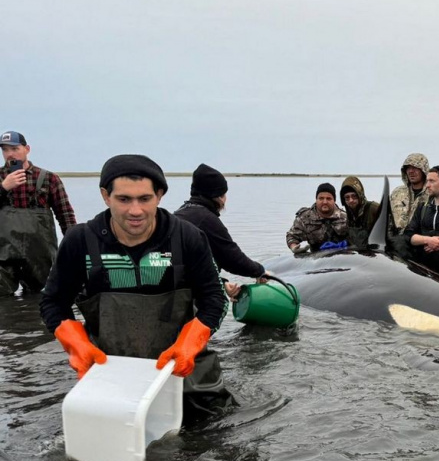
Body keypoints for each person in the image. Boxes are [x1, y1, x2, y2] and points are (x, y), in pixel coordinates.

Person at [39, 154, 232, 416]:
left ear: (160, 195)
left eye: (145, 198)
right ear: (106, 196)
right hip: (112, 371)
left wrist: (190, 343)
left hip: (182, 369)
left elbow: (215, 299)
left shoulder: (187, 237)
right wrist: (77, 345)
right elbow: (52, 303)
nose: (135, 211)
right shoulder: (79, 241)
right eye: (123, 199)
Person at [174, 164, 268, 300]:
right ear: (217, 196)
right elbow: (232, 259)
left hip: (173, 288)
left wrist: (221, 283)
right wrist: (260, 271)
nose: (225, 199)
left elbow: (191, 264)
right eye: (224, 194)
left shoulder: (180, 213)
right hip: (183, 298)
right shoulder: (206, 219)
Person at [0, 131, 77, 295]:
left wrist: (75, 248)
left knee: (41, 297)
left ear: (27, 149)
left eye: (14, 148)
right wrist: (4, 188)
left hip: (39, 254)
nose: (10, 154)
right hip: (3, 254)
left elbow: (66, 216)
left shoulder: (49, 179)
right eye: (5, 150)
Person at [404, 165, 439, 280]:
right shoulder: (422, 208)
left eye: (432, 181)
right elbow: (409, 235)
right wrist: (428, 240)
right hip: (422, 275)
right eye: (427, 181)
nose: (427, 185)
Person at [387, 152, 429, 259]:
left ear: (424, 170)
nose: (411, 171)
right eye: (408, 168)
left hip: (421, 247)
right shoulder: (397, 193)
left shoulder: (431, 194)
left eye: (415, 167)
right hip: (397, 246)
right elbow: (388, 220)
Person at [286, 183, 348, 253]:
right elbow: (292, 236)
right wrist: (294, 247)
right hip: (316, 259)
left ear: (334, 200)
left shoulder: (345, 217)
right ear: (316, 199)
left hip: (341, 257)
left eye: (329, 198)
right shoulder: (305, 217)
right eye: (321, 198)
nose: (325, 202)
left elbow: (356, 239)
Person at [339, 176, 381, 249]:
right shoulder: (349, 216)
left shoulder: (375, 209)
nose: (351, 200)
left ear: (360, 195)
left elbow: (390, 234)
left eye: (354, 196)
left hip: (377, 255)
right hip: (359, 256)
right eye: (347, 197)